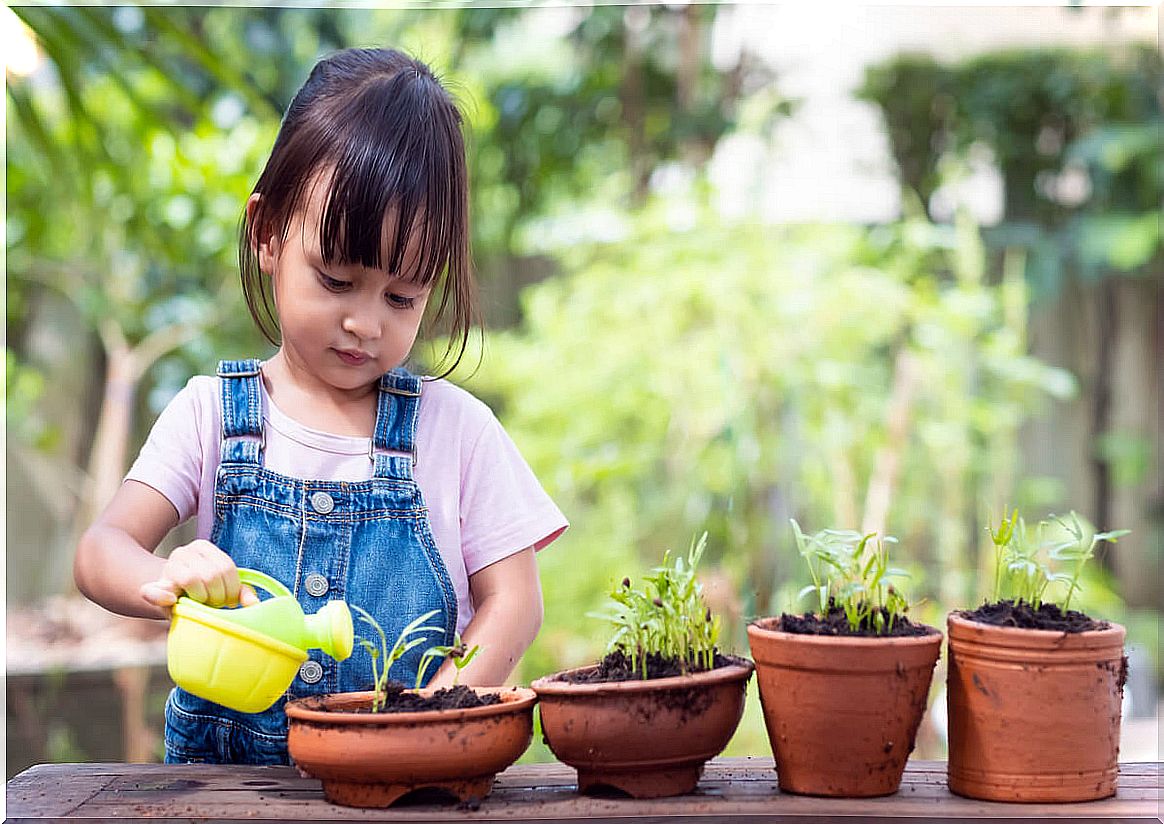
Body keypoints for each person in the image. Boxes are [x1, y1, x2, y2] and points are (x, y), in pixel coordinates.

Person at [73, 47, 568, 765]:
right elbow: (99, 553)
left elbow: (515, 604)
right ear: (267, 233)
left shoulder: (455, 431)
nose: (367, 323)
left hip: (412, 789)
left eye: (402, 297)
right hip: (229, 801)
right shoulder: (212, 416)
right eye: (336, 280)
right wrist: (168, 578)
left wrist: (433, 716)